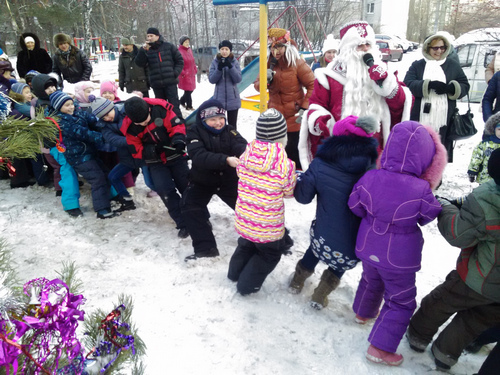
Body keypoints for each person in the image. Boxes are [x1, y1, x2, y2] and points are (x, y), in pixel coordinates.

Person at [348, 121, 447, 366]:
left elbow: (354, 204)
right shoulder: (422, 189)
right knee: (401, 300)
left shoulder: (370, 176)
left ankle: (363, 313)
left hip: (368, 245)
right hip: (398, 258)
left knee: (371, 280)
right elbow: (428, 215)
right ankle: (380, 348)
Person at [407, 148, 500, 371]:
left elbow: (458, 234)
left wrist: (446, 207)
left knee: (439, 302)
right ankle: (445, 354)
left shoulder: (488, 201)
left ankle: (417, 337)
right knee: (473, 321)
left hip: (477, 278)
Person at [289, 116, 379, 309]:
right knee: (339, 264)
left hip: (323, 235)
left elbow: (303, 197)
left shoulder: (320, 164)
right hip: (353, 242)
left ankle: (297, 281)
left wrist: (303, 179)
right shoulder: (372, 170)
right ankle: (320, 295)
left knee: (315, 248)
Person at [299, 21, 412, 170]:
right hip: (340, 154)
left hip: (375, 155)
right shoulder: (329, 77)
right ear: (347, 49)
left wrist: (388, 86)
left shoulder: (383, 73)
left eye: (368, 45)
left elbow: (399, 108)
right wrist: (328, 124)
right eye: (360, 45)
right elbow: (315, 107)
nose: (365, 50)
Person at [228, 109, 296, 295]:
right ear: (282, 136)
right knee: (269, 254)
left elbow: (241, 175)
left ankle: (233, 274)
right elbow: (289, 193)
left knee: (246, 243)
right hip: (267, 226)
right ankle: (246, 286)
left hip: (245, 218)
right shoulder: (285, 165)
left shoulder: (245, 156)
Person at [181, 99, 247, 261]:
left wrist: (245, 153)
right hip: (203, 179)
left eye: (221, 118)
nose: (218, 123)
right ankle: (206, 249)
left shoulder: (230, 130)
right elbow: (198, 156)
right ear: (203, 120)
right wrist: (226, 160)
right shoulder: (194, 132)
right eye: (213, 119)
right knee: (190, 207)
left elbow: (241, 144)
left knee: (249, 207)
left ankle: (279, 239)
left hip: (228, 180)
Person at [121, 96, 189, 237]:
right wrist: (153, 150)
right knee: (165, 191)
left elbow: (177, 126)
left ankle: (200, 217)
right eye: (139, 123)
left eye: (146, 120)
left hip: (175, 155)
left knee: (187, 187)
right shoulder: (130, 128)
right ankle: (182, 222)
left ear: (149, 110)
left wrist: (178, 140)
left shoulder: (161, 111)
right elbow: (136, 151)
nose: (143, 124)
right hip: (155, 162)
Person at [49, 91, 118, 219]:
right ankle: (102, 209)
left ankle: (110, 196)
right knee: (97, 178)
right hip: (78, 157)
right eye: (66, 106)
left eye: (71, 104)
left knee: (105, 173)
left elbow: (93, 121)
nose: (70, 107)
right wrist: (104, 137)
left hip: (90, 153)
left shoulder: (79, 113)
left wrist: (105, 126)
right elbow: (83, 133)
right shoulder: (62, 122)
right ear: (58, 108)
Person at [404, 32, 469, 163]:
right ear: (428, 48)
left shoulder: (452, 65)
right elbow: (408, 82)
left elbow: (465, 85)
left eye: (442, 47)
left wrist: (451, 88)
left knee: (440, 149)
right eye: (435, 48)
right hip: (421, 115)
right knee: (419, 149)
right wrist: (428, 85)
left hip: (445, 118)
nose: (439, 51)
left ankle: (437, 178)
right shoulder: (418, 65)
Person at [254, 29, 315, 170]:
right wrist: (265, 80)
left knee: (294, 154)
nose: (276, 51)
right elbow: (257, 87)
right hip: (275, 118)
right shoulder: (268, 64)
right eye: (273, 47)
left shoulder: (297, 63)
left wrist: (304, 107)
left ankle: (297, 183)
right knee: (276, 155)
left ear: (286, 46)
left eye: (279, 47)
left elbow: (312, 84)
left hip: (294, 117)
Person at [135, 27, 184, 118]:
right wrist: (142, 51)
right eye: (148, 36)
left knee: (174, 106)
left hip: (170, 82)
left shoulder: (169, 46)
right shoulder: (147, 50)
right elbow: (139, 64)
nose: (149, 38)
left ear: (157, 36)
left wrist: (175, 73)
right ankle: (164, 127)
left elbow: (180, 61)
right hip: (157, 84)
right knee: (161, 107)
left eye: (151, 36)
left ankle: (179, 125)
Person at [209, 40, 242, 129]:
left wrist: (230, 67)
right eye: (222, 49)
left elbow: (238, 79)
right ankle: (221, 141)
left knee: (232, 126)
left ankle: (232, 141)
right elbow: (212, 80)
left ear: (230, 50)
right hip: (219, 99)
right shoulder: (215, 62)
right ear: (219, 50)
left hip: (233, 99)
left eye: (226, 49)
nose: (224, 51)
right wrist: (219, 69)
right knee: (219, 125)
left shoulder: (234, 62)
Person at [468, 112, 500, 184]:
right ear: (493, 129)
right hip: (485, 179)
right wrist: (472, 171)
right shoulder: (485, 144)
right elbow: (476, 157)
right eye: (499, 129)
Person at [178, 35, 197, 111]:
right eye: (186, 42)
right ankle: (189, 106)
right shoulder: (179, 52)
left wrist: (195, 69)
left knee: (191, 89)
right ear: (182, 43)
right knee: (188, 91)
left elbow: (193, 61)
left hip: (191, 74)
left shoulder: (189, 50)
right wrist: (184, 73)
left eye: (188, 42)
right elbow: (178, 64)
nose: (187, 43)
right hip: (185, 75)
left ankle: (182, 101)